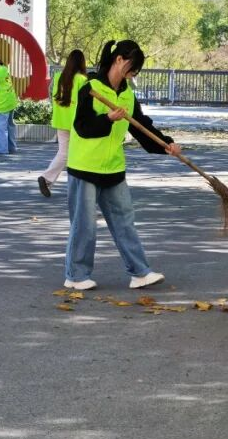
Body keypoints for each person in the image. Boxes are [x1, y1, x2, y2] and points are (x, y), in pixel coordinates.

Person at [64, 39, 181, 291]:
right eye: (131, 68)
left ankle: (140, 272)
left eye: (136, 71)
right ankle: (76, 275)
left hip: (113, 168)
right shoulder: (90, 87)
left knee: (124, 222)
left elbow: (142, 128)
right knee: (84, 225)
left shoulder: (127, 95)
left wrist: (166, 144)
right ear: (119, 60)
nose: (133, 74)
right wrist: (107, 118)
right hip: (85, 166)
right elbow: (82, 127)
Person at [39, 49, 87, 197]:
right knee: (78, 154)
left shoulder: (59, 77)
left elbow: (51, 96)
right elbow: (85, 102)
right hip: (76, 122)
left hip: (60, 120)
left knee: (64, 152)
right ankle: (49, 178)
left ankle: (48, 180)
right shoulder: (82, 80)